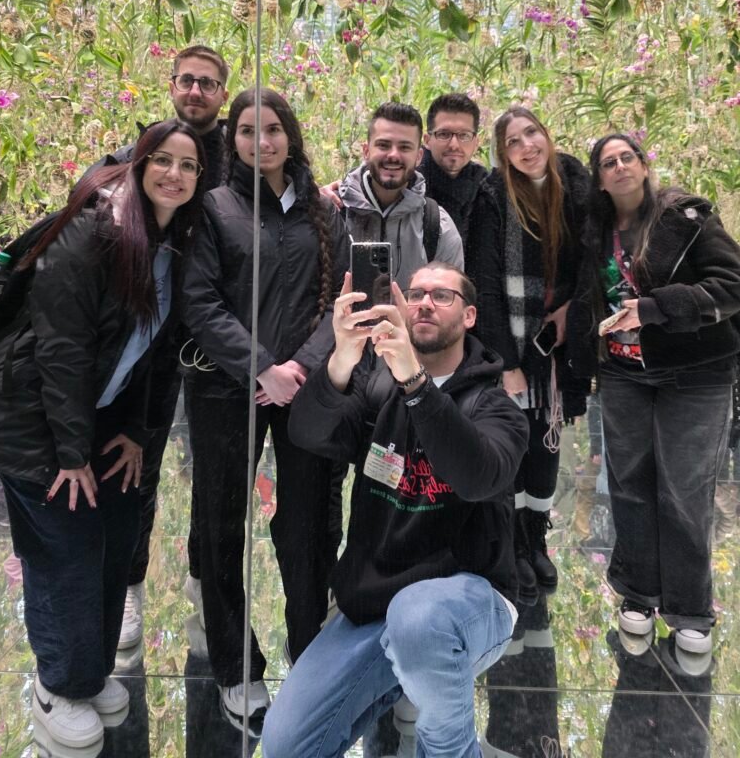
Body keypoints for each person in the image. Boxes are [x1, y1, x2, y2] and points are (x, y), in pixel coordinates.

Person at [0, 119, 206, 756]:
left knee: (114, 539)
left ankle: (89, 671)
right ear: (137, 163)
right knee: (67, 554)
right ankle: (58, 687)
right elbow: (64, 350)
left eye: (189, 166)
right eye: (163, 160)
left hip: (100, 419)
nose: (175, 175)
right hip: (34, 422)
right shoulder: (91, 232)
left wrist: (133, 431)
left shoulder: (172, 243)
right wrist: (71, 456)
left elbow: (154, 353)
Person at [262, 262, 529, 758]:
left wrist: (415, 380)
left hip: (469, 601)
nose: (424, 302)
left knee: (418, 618)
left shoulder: (497, 407)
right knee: (285, 745)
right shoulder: (378, 391)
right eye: (415, 293)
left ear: (469, 316)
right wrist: (342, 357)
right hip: (373, 603)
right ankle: (411, 676)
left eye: (442, 296)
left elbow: (476, 476)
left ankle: (451, 749)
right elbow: (309, 433)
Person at [181, 87, 348, 734]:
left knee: (306, 524)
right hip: (228, 388)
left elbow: (340, 298)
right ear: (235, 141)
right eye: (249, 131)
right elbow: (200, 301)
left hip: (304, 386)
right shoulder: (214, 208)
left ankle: (309, 655)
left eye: (272, 129)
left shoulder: (322, 211)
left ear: (291, 135)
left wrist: (298, 368)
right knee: (220, 526)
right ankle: (235, 667)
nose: (262, 141)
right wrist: (261, 366)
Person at [567, 133, 740, 655]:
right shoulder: (594, 232)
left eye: (628, 158)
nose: (619, 167)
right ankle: (637, 594)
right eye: (608, 162)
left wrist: (657, 307)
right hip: (623, 374)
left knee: (685, 490)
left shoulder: (685, 218)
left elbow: (732, 284)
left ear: (644, 165)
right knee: (629, 483)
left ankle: (689, 608)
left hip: (694, 374)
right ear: (598, 177)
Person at [92, 44, 229, 652]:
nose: (196, 91)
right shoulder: (139, 154)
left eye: (208, 83)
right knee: (136, 463)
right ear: (172, 86)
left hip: (216, 341)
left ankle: (207, 584)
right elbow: (94, 196)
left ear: (223, 94)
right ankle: (129, 588)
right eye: (187, 81)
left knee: (218, 473)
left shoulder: (241, 159)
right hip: (149, 339)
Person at [470, 105, 589, 601]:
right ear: (503, 154)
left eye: (531, 133)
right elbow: (486, 282)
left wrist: (573, 312)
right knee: (513, 447)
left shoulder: (578, 189)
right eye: (513, 141)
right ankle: (513, 545)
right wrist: (508, 364)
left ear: (546, 134)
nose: (526, 146)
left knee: (546, 445)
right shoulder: (494, 195)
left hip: (561, 347)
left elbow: (593, 264)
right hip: (514, 345)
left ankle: (537, 539)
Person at [339, 102, 463, 288]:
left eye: (405, 147)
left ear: (419, 156)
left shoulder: (437, 227)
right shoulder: (334, 213)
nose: (393, 155)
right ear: (366, 151)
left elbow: (449, 305)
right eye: (383, 145)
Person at [419, 92, 487, 263]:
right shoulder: (410, 181)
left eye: (464, 135)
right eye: (444, 134)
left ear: (476, 142)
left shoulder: (485, 185)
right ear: (427, 140)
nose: (454, 144)